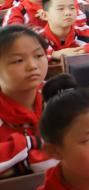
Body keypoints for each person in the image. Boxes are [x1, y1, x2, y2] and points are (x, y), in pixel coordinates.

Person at [0, 26, 53, 177]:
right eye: (18, 60)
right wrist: (32, 144)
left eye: (38, 55)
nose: (33, 66)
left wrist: (19, 166)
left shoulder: (55, 96)